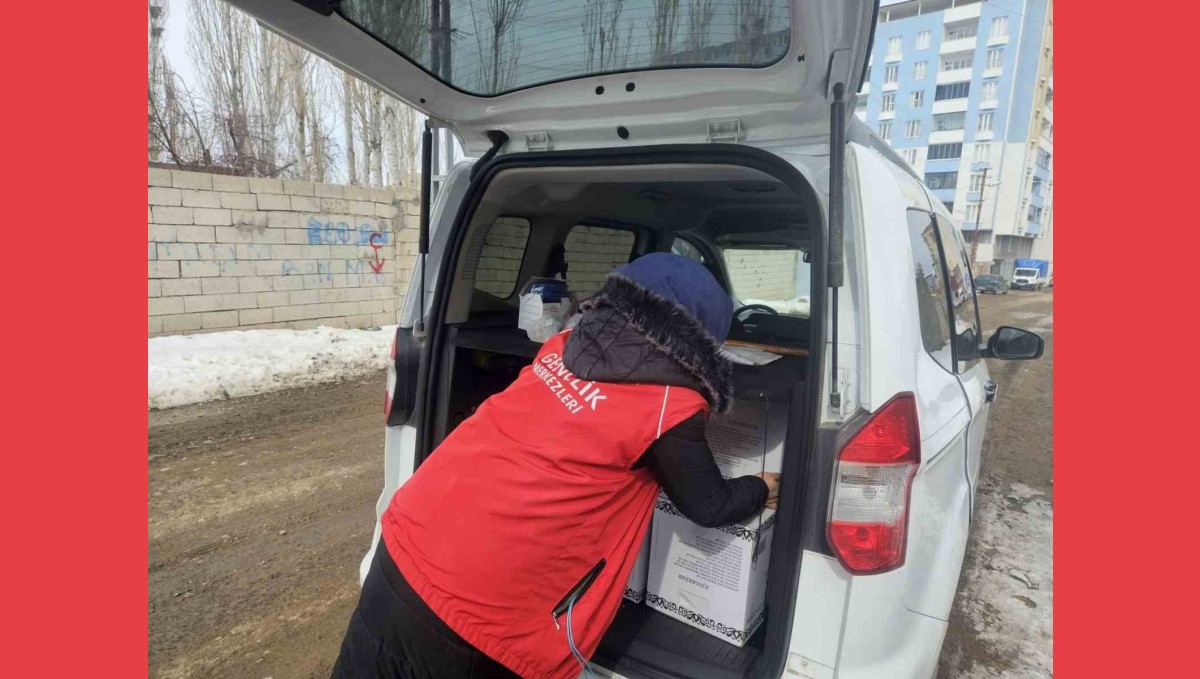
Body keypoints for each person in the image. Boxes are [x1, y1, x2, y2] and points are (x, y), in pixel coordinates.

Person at [332, 253, 781, 679]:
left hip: (407, 543)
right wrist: (761, 487)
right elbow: (708, 505)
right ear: (703, 340)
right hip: (476, 612)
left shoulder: (562, 345)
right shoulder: (668, 405)